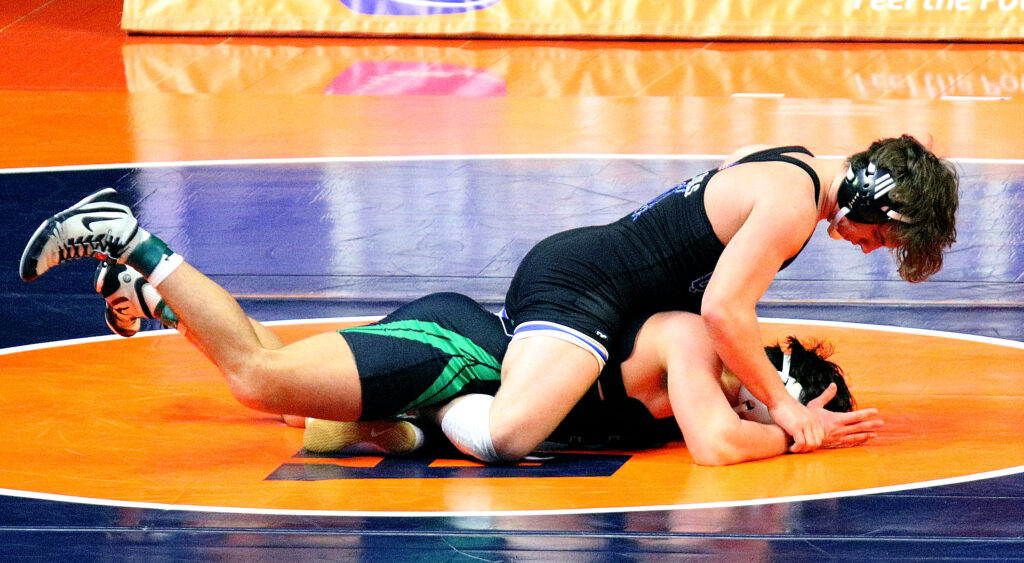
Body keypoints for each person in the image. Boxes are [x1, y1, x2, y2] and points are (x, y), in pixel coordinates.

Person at [18, 192, 881, 466]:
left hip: (458, 361)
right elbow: (719, 446)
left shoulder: (716, 378)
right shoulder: (690, 341)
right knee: (261, 379)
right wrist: (803, 438)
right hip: (461, 352)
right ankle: (133, 238)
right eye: (784, 402)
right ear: (780, 385)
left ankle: (159, 299)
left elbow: (732, 430)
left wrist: (789, 421)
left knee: (295, 409)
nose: (772, 413)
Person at [481, 135, 957, 462]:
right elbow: (722, 309)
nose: (871, 246)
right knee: (509, 436)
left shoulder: (789, 161)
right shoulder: (793, 205)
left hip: (604, 287)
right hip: (584, 287)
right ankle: (434, 420)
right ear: (870, 199)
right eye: (881, 235)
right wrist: (785, 408)